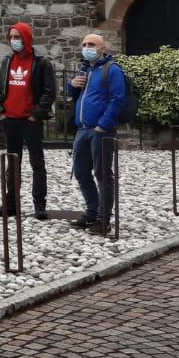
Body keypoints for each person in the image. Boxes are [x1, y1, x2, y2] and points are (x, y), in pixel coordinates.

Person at [0, 21, 57, 221]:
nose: (14, 41)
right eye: (11, 37)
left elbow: (49, 91)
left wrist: (36, 115)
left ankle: (39, 204)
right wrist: (1, 111)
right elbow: (0, 88)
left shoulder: (41, 63)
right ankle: (11, 204)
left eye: (17, 37)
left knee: (37, 162)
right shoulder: (7, 61)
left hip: (31, 120)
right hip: (10, 119)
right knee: (12, 163)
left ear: (27, 38)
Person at [68, 31, 127, 237]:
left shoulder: (112, 70)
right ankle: (92, 213)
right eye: (84, 44)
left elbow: (118, 99)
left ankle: (103, 220)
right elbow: (76, 96)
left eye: (91, 44)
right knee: (81, 172)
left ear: (102, 48)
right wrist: (71, 86)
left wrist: (102, 125)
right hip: (82, 130)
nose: (87, 48)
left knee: (102, 174)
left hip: (100, 131)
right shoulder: (85, 69)